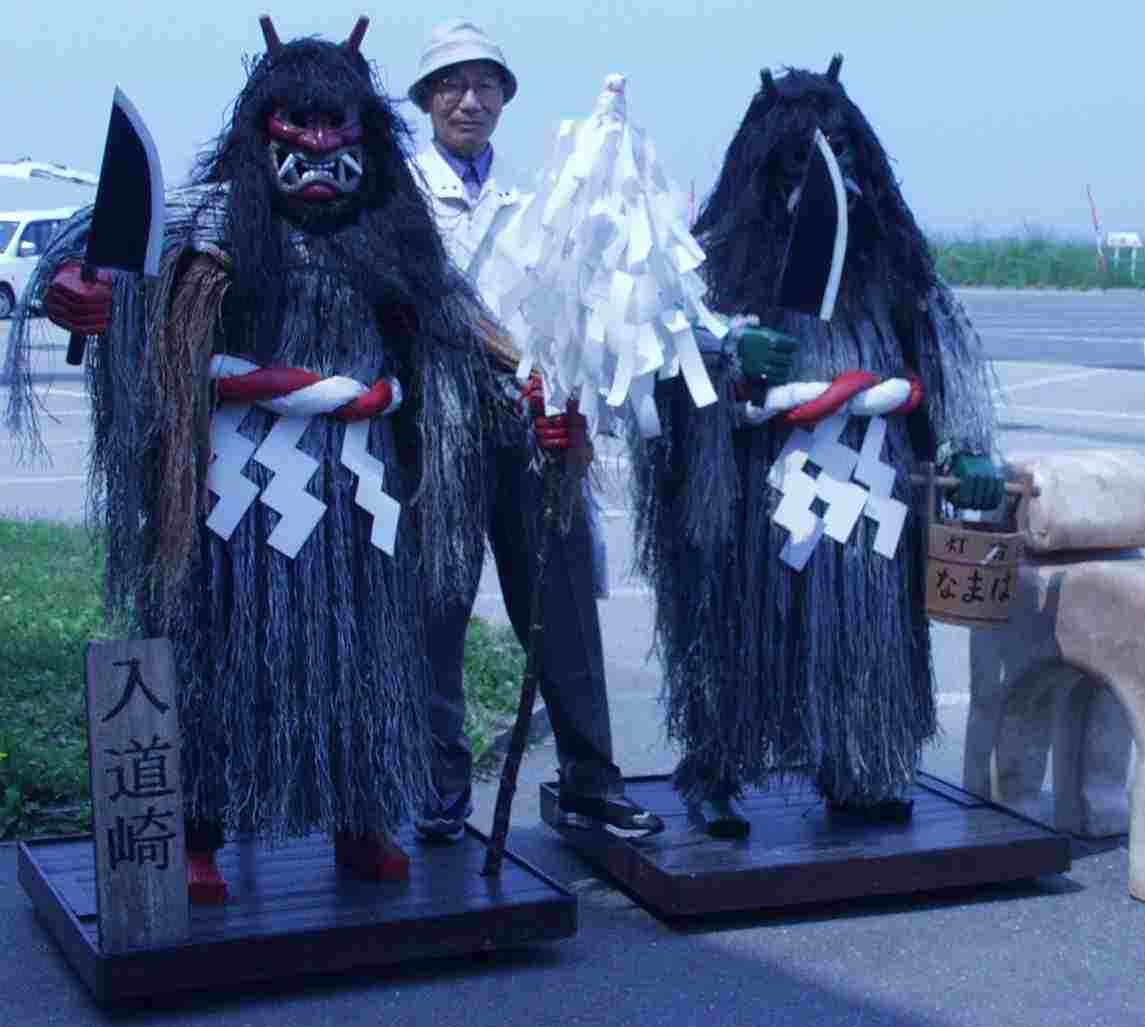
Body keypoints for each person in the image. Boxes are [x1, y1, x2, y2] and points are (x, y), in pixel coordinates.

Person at [14, 17, 499, 900]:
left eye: (334, 127)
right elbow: (95, 260)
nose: (316, 148)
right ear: (261, 130)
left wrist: (519, 386)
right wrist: (78, 292)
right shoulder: (209, 218)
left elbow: (463, 332)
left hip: (360, 484)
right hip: (233, 480)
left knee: (365, 656)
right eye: (296, 126)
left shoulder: (396, 231)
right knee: (219, 653)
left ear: (363, 134)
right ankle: (198, 829)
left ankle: (362, 818)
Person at [628, 56, 1004, 836]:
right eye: (799, 162)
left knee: (865, 625)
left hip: (872, 477)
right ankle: (716, 767)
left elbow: (942, 355)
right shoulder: (713, 268)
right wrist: (727, 357)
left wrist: (967, 443)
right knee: (740, 628)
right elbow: (665, 363)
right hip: (757, 485)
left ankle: (859, 766)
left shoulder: (895, 268)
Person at [407, 20, 663, 837]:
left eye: (486, 85)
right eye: (452, 85)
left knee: (561, 606)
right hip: (435, 430)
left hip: (528, 431)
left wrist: (567, 404)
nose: (470, 101)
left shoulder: (534, 205)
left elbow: (567, 318)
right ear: (427, 100)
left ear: (505, 100)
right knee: (435, 612)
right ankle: (438, 788)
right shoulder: (398, 201)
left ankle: (590, 777)